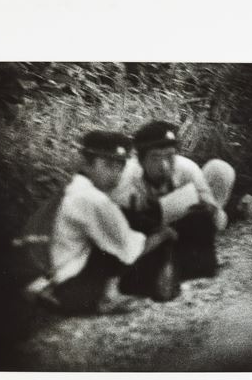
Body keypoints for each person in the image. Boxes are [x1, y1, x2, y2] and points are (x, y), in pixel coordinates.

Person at [18, 130, 177, 314]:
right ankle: (108, 298)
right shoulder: (93, 199)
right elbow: (129, 250)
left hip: (38, 282)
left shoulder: (73, 188)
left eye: (120, 166)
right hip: (59, 292)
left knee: (118, 224)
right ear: (86, 164)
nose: (115, 173)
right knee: (122, 236)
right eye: (108, 165)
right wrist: (163, 235)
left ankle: (108, 293)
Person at [111, 120, 236, 281]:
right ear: (140, 160)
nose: (164, 166)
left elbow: (219, 221)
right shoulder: (124, 178)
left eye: (170, 156)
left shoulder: (187, 169)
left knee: (220, 169)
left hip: (180, 228)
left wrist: (211, 211)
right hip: (144, 234)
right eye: (155, 157)